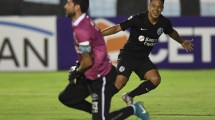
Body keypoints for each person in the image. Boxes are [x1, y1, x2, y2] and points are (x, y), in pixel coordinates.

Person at [58, 0, 149, 120]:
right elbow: (92, 52)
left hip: (101, 78)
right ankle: (99, 112)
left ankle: (134, 109)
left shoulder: (82, 30)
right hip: (89, 74)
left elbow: (88, 61)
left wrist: (77, 71)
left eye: (69, 3)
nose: (65, 6)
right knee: (67, 98)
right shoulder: (83, 21)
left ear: (77, 7)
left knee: (101, 119)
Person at [102, 0, 194, 106]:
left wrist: (182, 41)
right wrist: (99, 34)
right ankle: (101, 100)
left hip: (142, 59)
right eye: (154, 6)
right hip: (128, 56)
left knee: (155, 79)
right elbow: (117, 27)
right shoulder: (138, 19)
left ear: (162, 8)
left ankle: (129, 95)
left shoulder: (164, 22)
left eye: (159, 7)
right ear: (149, 6)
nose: (156, 9)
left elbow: (171, 32)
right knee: (120, 82)